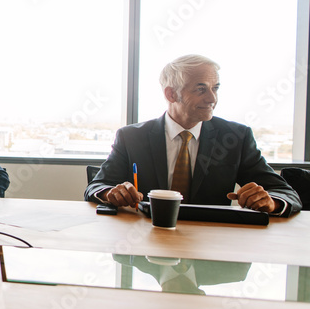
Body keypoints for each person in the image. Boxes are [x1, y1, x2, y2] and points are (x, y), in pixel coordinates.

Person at [85, 54, 301, 217]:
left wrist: (271, 202)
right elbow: (96, 186)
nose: (212, 99)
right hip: (145, 240)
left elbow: (286, 193)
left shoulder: (236, 137)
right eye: (201, 89)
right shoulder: (131, 137)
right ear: (171, 94)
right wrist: (111, 193)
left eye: (215, 88)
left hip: (211, 243)